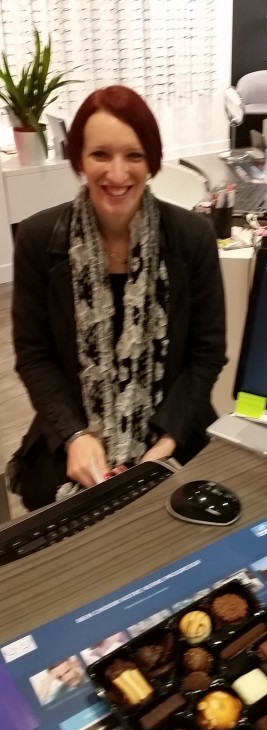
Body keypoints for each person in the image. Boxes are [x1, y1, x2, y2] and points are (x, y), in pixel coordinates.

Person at [10, 85, 226, 510]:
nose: (117, 173)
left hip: (173, 433)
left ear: (152, 161)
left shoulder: (193, 237)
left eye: (134, 155)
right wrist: (75, 435)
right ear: (79, 160)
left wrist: (167, 442)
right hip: (73, 437)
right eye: (100, 154)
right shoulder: (38, 238)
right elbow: (34, 356)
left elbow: (207, 353)